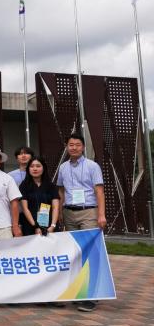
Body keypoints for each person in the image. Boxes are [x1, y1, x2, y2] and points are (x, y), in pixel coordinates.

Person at [57, 133, 106, 312]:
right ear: (67, 147)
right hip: (69, 212)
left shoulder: (93, 166)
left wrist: (101, 215)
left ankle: (92, 295)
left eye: (77, 144)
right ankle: (80, 290)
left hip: (88, 212)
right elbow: (61, 191)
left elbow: (99, 191)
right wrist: (61, 212)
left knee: (91, 252)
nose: (74, 147)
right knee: (76, 253)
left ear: (83, 147)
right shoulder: (62, 168)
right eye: (71, 145)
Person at [19, 157, 60, 236]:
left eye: (38, 166)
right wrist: (35, 226)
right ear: (28, 169)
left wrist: (53, 225)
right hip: (30, 226)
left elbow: (55, 207)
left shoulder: (51, 186)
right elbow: (25, 209)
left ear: (43, 168)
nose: (35, 169)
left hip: (50, 227)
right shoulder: (24, 186)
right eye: (32, 166)